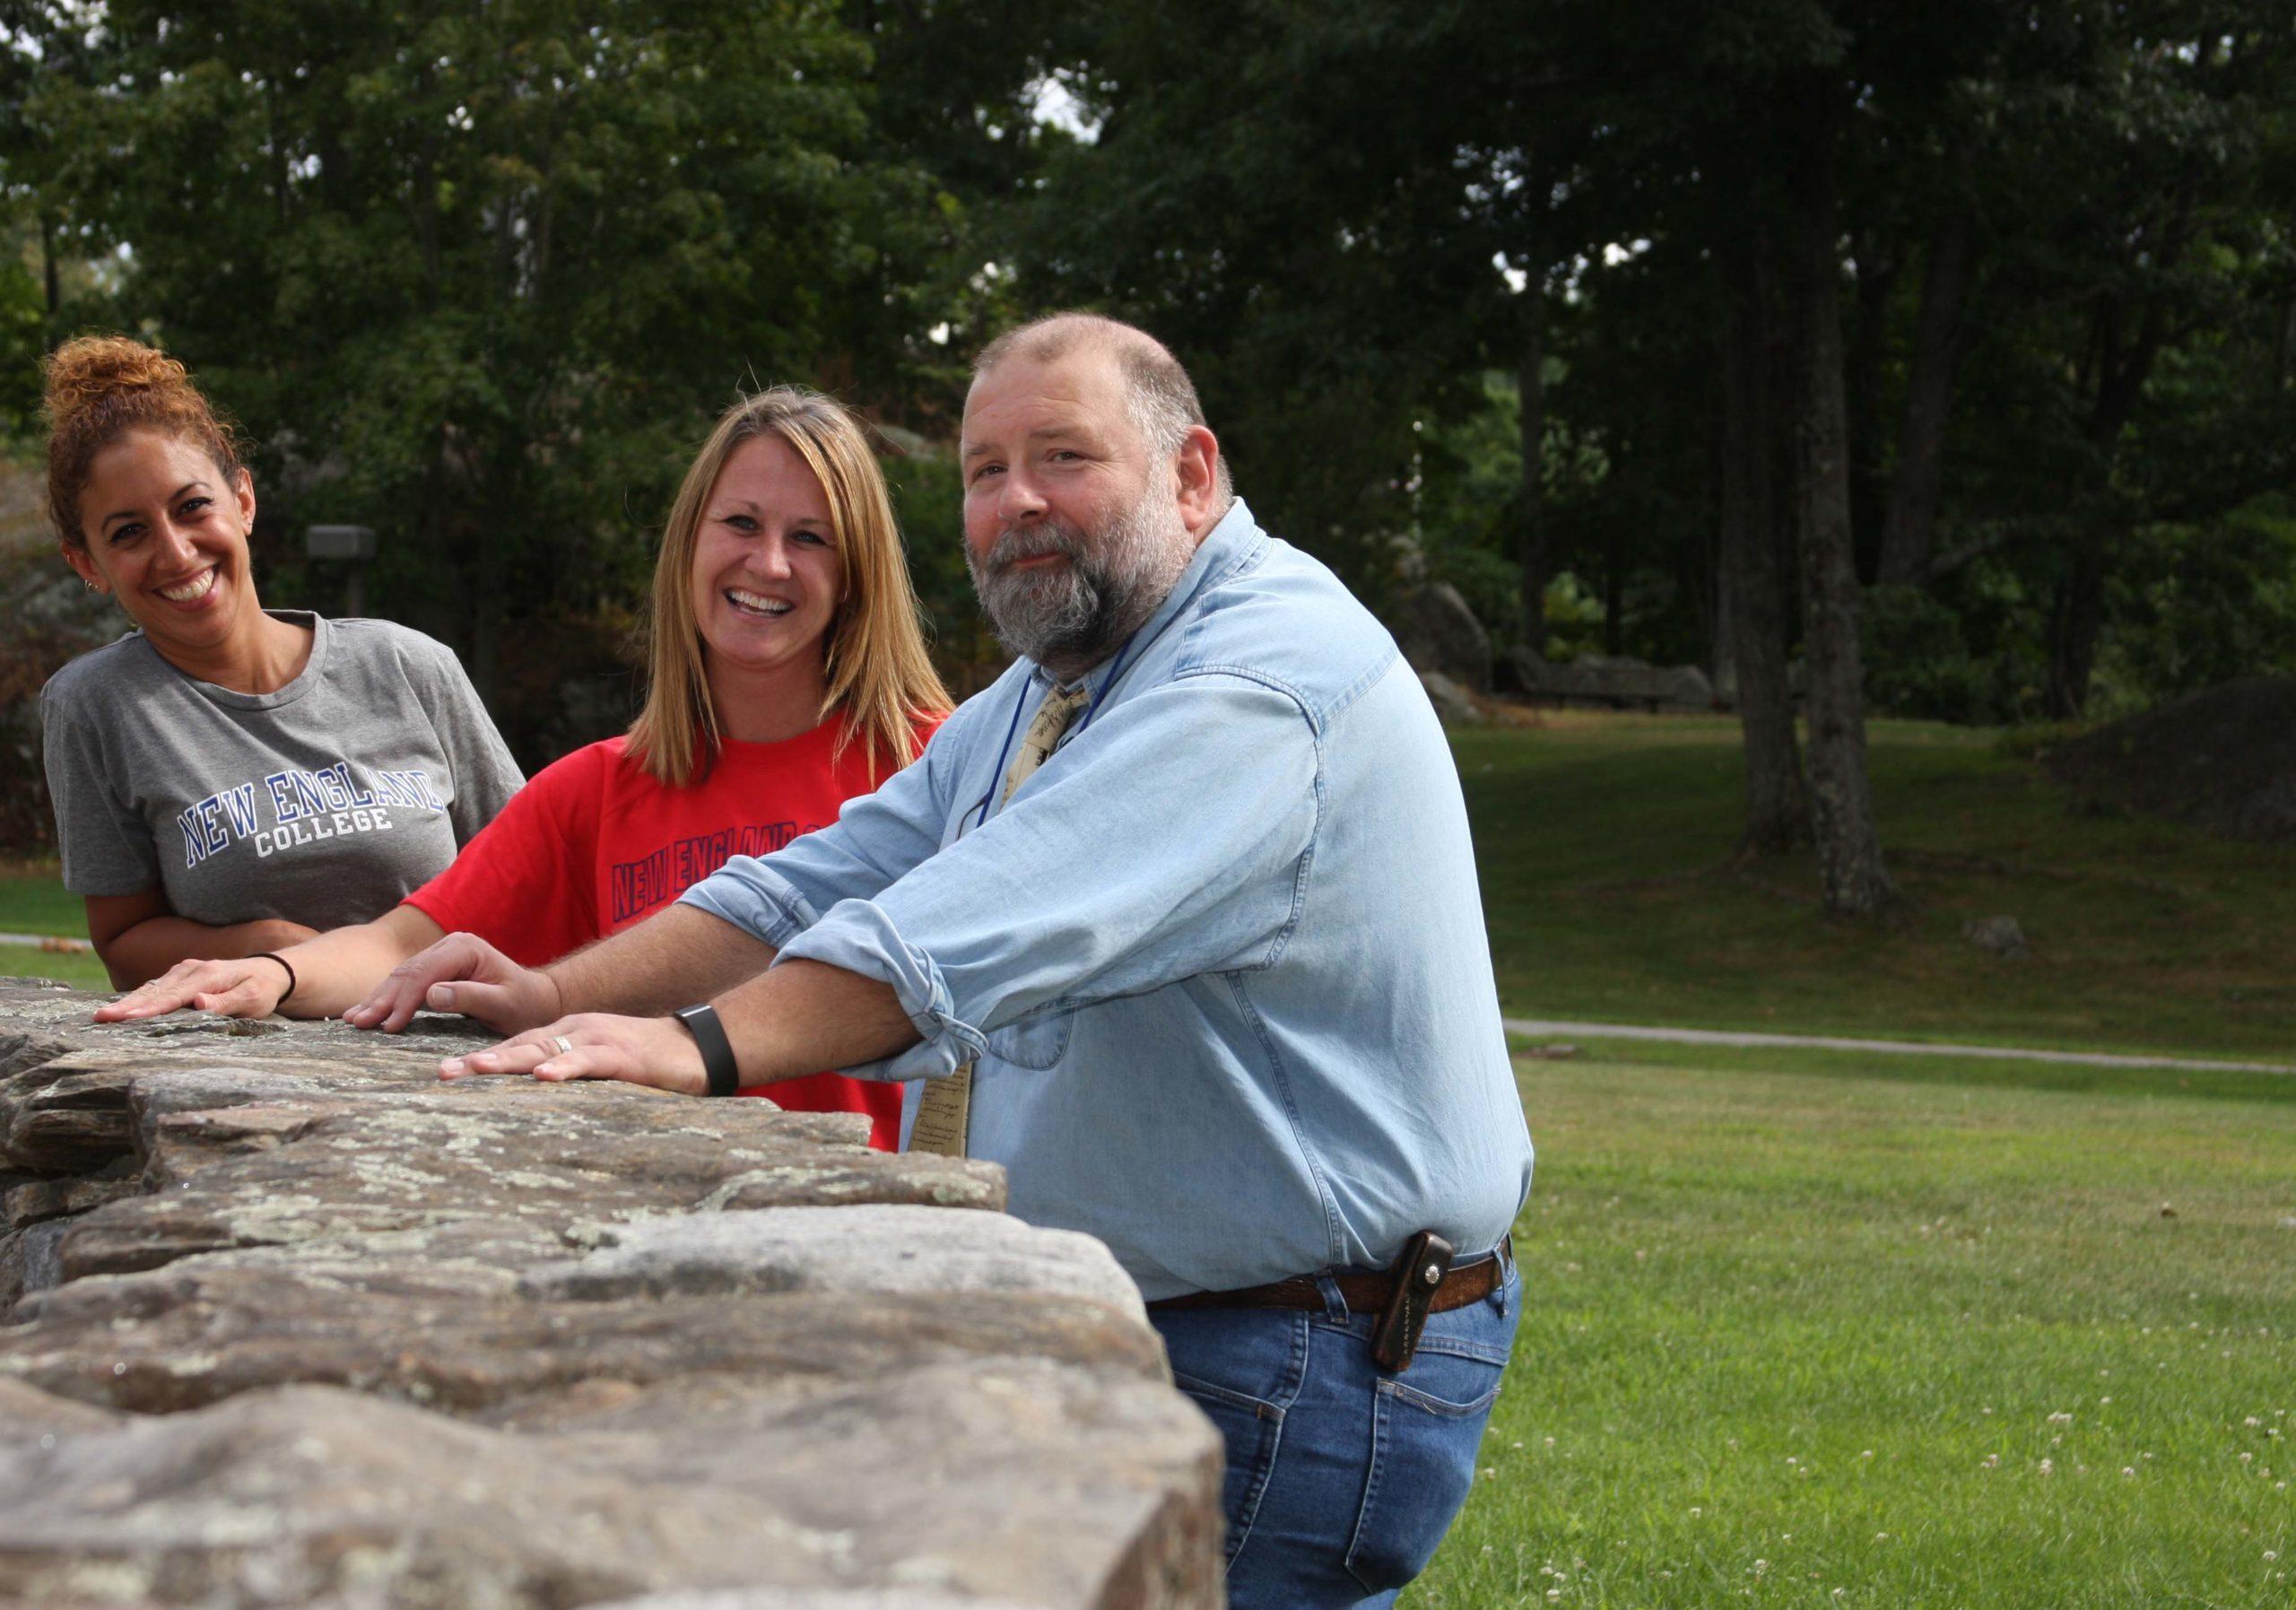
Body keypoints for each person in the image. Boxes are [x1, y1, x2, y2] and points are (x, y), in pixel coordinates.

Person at [355, 315, 1534, 1606]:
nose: (1016, 501)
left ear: (1192, 476)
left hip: (1294, 1355)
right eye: (983, 471)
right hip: (1211, 1330)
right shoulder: (1060, 685)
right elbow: (825, 872)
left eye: (1063, 456)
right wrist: (560, 993)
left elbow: (949, 931)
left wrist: (688, 1047)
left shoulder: (1254, 684)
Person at [94, 386, 952, 1152]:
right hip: (661, 1220)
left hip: (871, 1232)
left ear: (857, 575)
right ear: (689, 542)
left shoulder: (940, 764)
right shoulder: (594, 790)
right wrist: (272, 974)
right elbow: (399, 945)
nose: (769, 563)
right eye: (741, 523)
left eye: (810, 538)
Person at [39, 335, 523, 990]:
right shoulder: (95, 705)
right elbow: (124, 942)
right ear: (86, 563)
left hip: (454, 1049)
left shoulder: (407, 665)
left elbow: (531, 869)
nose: (177, 553)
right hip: (254, 1071)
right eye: (129, 532)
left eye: (192, 507)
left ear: (242, 500)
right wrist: (277, 950)